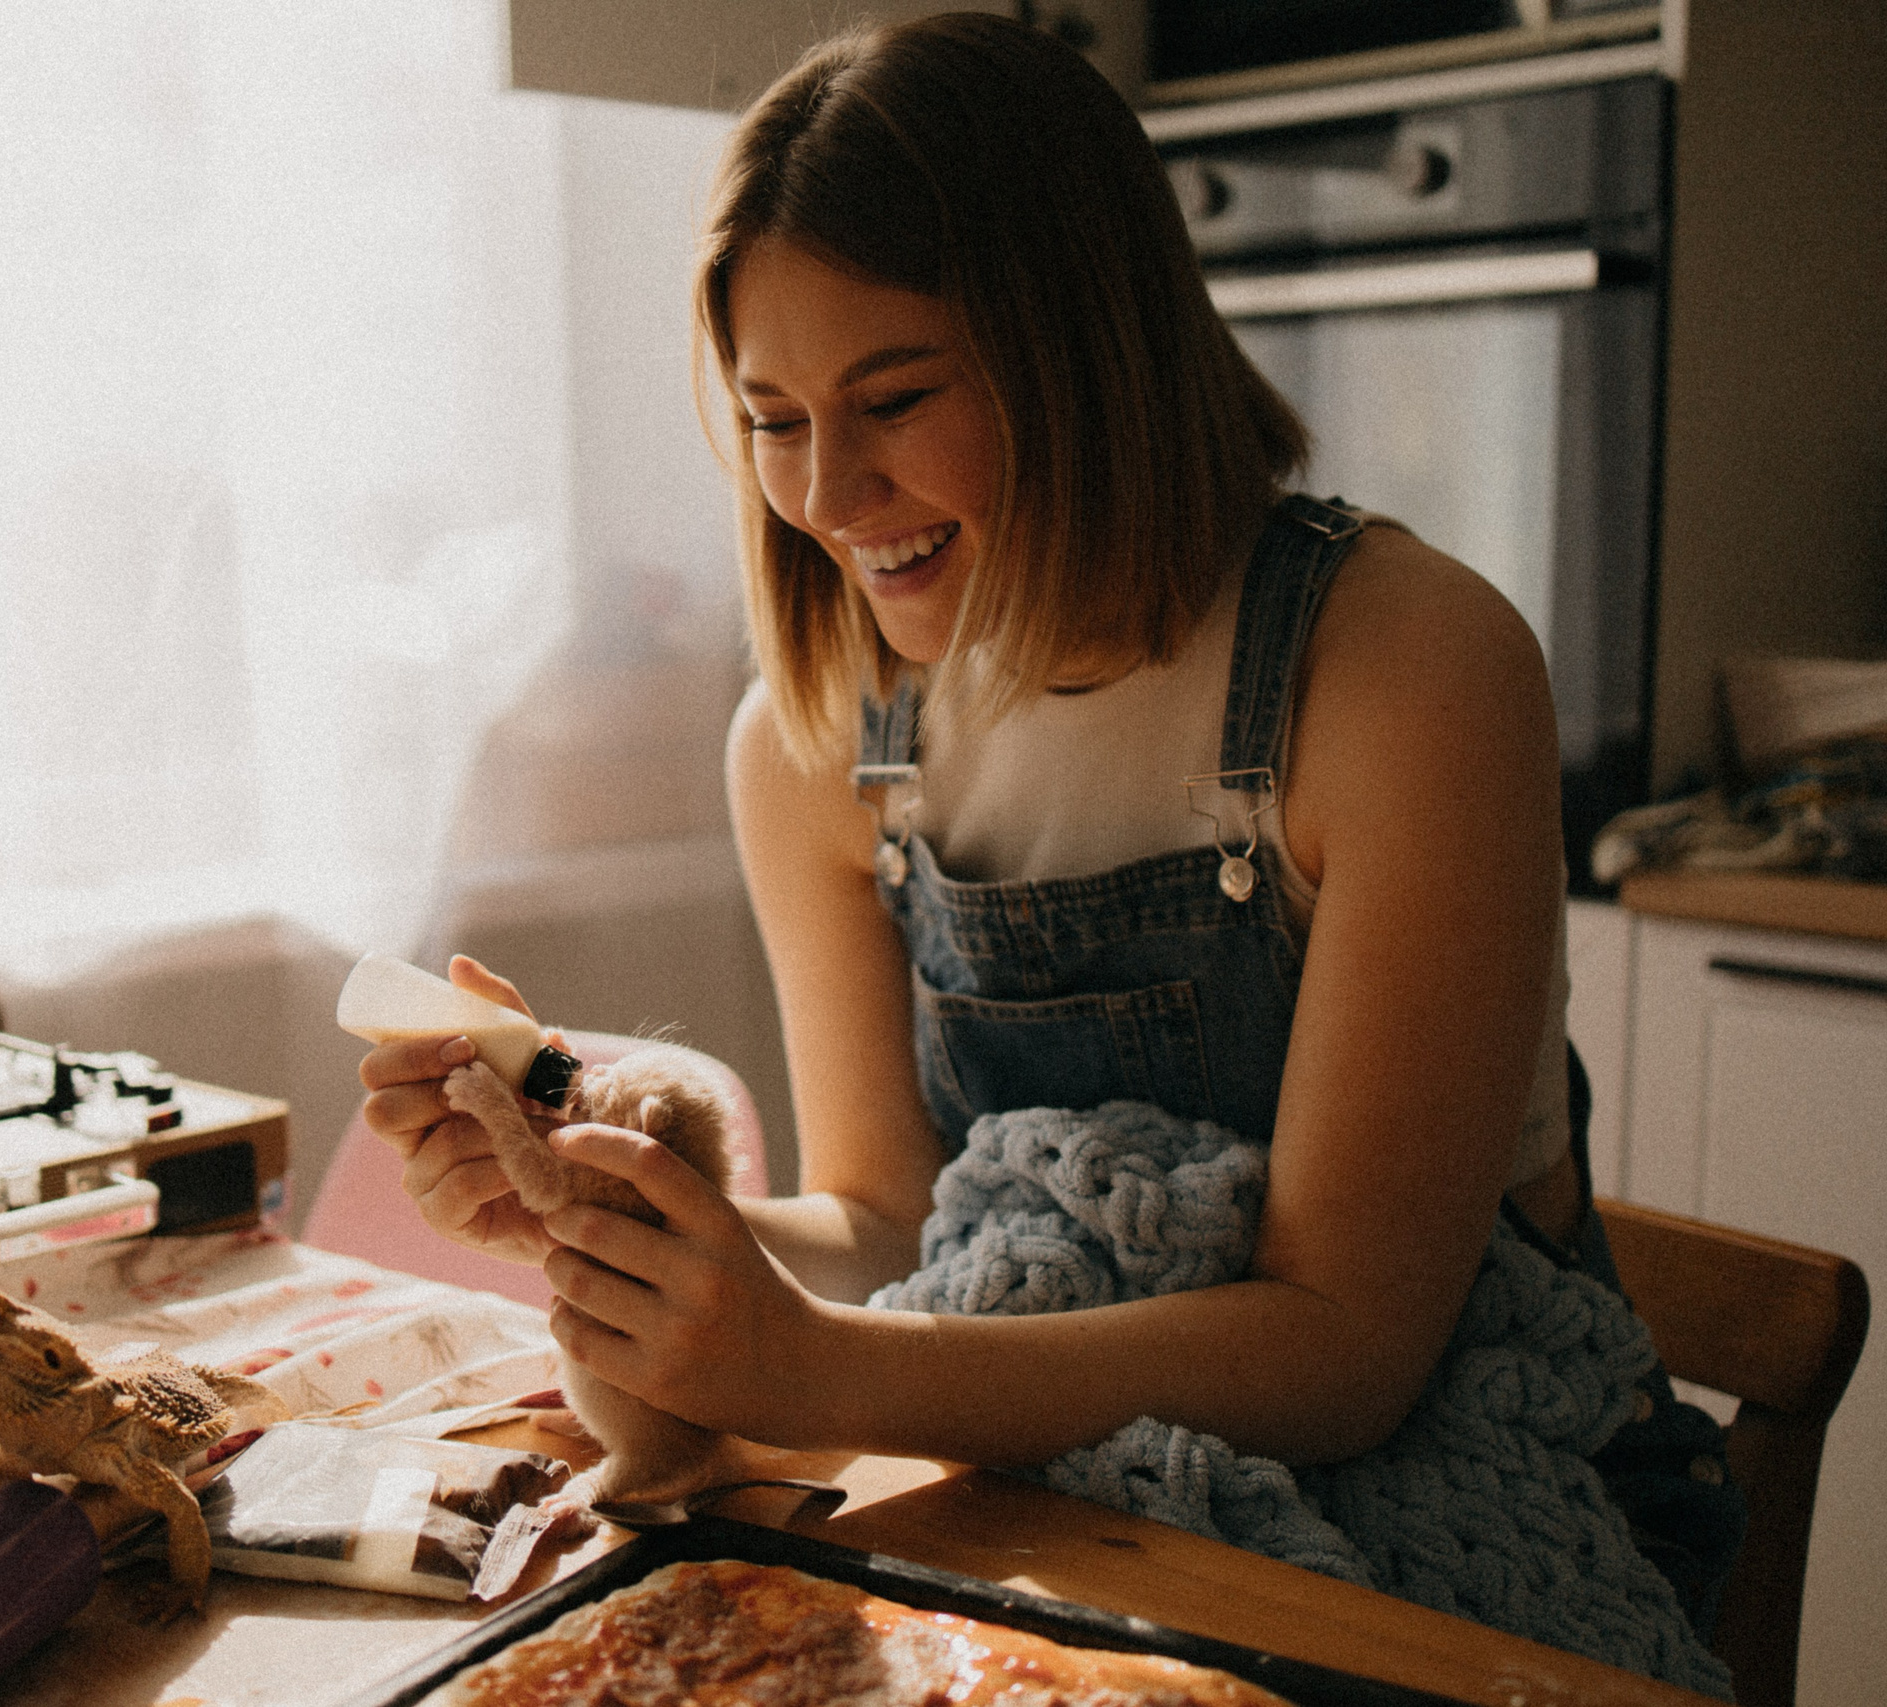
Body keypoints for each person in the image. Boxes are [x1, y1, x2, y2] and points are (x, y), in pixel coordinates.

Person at [358, 8, 1734, 1670]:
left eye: (896, 396)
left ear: (1086, 347)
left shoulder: (1406, 670)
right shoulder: (817, 749)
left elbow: (1347, 1350)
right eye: (775, 416)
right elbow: (886, 1219)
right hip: (1070, 1509)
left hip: (1491, 1510)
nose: (830, 494)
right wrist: (621, 1220)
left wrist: (825, 1373)